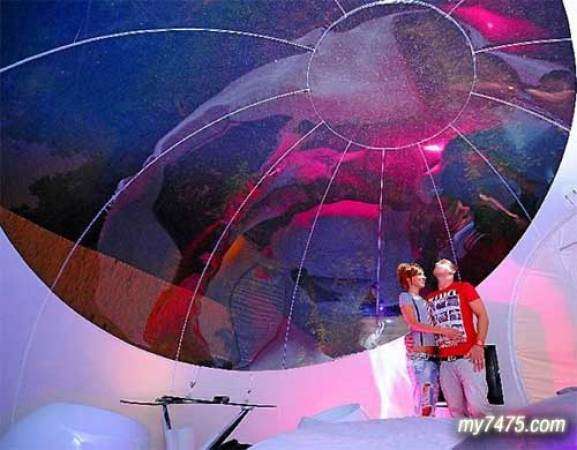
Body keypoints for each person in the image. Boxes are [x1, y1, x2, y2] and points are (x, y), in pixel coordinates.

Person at [426, 259, 491, 418]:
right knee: (455, 410)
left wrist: (479, 345)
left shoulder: (464, 288)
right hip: (445, 361)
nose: (441, 263)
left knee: (478, 407)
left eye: (445, 263)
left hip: (468, 356)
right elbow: (428, 327)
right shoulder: (430, 298)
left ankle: (487, 434)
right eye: (438, 263)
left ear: (453, 270)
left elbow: (482, 315)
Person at [397, 263, 463, 417]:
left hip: (433, 356)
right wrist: (443, 331)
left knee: (431, 400)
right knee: (424, 401)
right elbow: (413, 323)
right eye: (419, 275)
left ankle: (425, 426)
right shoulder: (405, 297)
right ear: (409, 279)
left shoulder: (426, 301)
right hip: (420, 356)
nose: (424, 277)